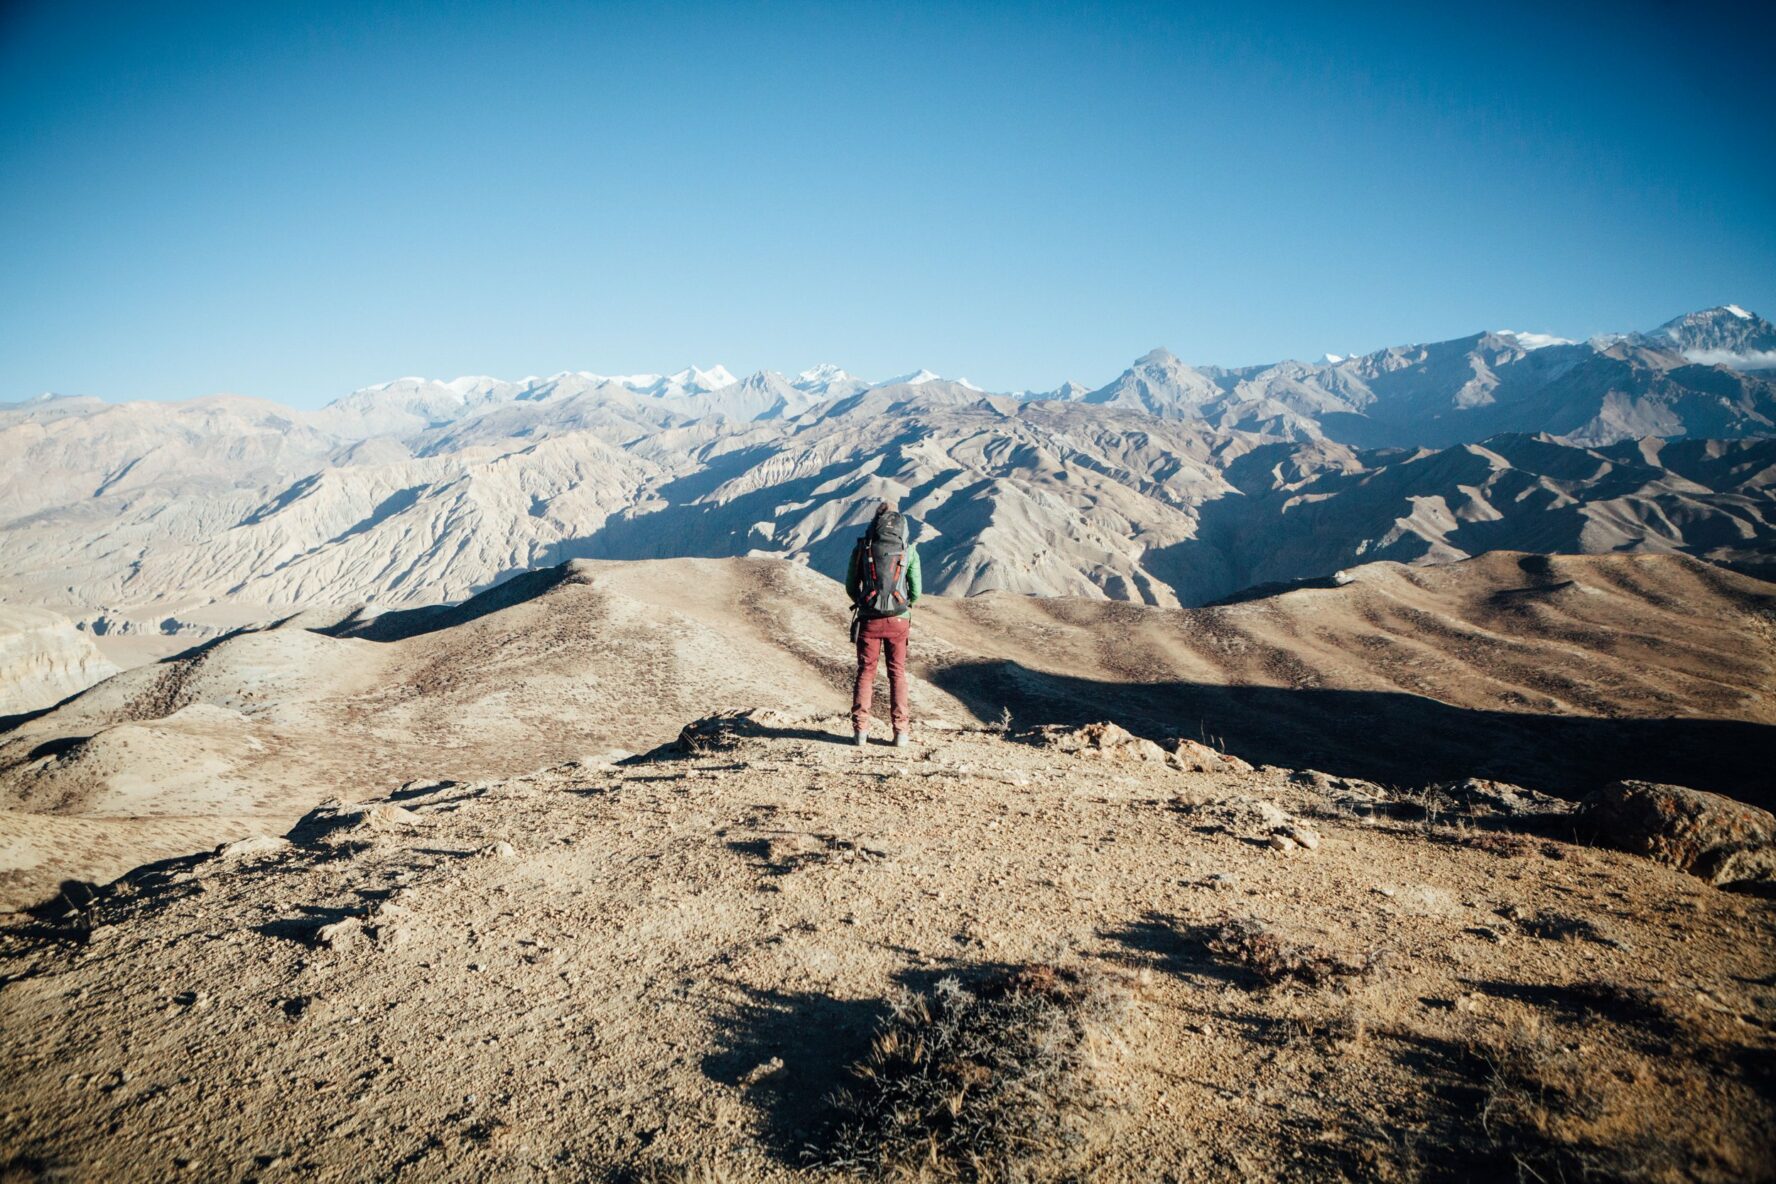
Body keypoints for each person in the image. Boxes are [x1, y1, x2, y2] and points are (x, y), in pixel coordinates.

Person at [846, 500, 921, 746]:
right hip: (899, 620)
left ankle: (860, 732)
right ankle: (901, 732)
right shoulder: (908, 550)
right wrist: (902, 606)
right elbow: (917, 591)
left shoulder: (862, 548)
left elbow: (850, 585)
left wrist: (866, 603)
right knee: (897, 674)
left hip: (869, 620)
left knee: (866, 673)